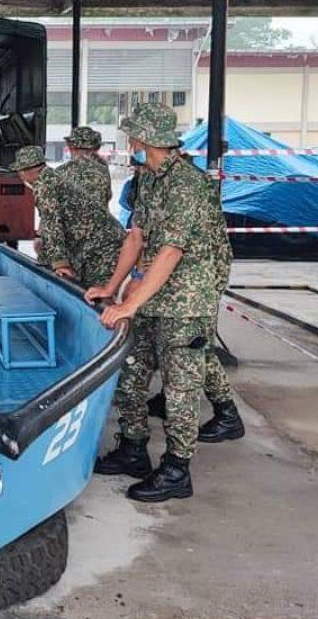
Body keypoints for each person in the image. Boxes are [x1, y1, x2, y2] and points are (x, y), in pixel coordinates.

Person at [85, 103, 240, 502]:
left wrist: (130, 305)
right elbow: (136, 235)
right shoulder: (149, 178)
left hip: (187, 299)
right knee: (130, 373)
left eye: (134, 135)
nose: (130, 141)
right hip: (153, 293)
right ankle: (134, 448)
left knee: (180, 387)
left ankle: (176, 470)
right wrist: (112, 286)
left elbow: (171, 251)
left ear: (147, 139)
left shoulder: (186, 184)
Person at [56, 126, 126, 286]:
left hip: (72, 246)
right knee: (101, 296)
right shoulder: (102, 170)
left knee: (71, 293)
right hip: (105, 245)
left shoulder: (59, 173)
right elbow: (105, 201)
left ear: (71, 147)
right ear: (97, 148)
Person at [8, 146, 74, 279]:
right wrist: (39, 235)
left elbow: (52, 223)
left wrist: (60, 263)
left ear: (27, 170)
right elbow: (49, 216)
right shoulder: (52, 176)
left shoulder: (44, 186)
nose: (21, 177)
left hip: (98, 246)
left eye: (21, 172)